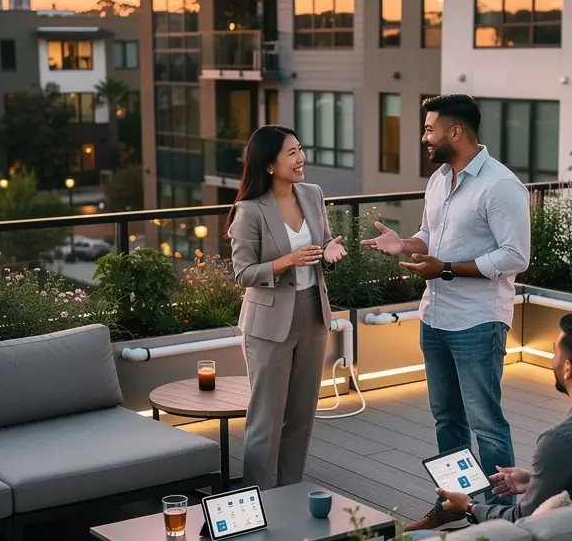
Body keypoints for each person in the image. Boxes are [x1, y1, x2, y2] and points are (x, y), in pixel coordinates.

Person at [363, 93, 530, 492]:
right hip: (434, 317)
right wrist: (404, 244)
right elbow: (430, 236)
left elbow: (515, 256)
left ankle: (499, 515)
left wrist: (448, 269)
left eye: (428, 129)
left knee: (486, 424)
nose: (424, 138)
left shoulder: (501, 186)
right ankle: (456, 503)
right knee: (447, 421)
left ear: (455, 132)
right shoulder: (438, 181)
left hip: (477, 321)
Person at [405, 313, 572, 530]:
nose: (552, 357)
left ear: (568, 368)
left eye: (554, 351)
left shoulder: (561, 440)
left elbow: (522, 522)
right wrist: (535, 481)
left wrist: (470, 507)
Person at [227, 125, 347, 490]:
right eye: (291, 153)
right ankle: (256, 501)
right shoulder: (249, 211)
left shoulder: (312, 194)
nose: (301, 159)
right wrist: (286, 261)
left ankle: (290, 494)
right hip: (268, 324)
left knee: (301, 417)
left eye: (300, 149)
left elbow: (322, 243)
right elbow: (243, 273)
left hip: (313, 315)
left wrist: (329, 251)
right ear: (268, 164)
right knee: (265, 420)